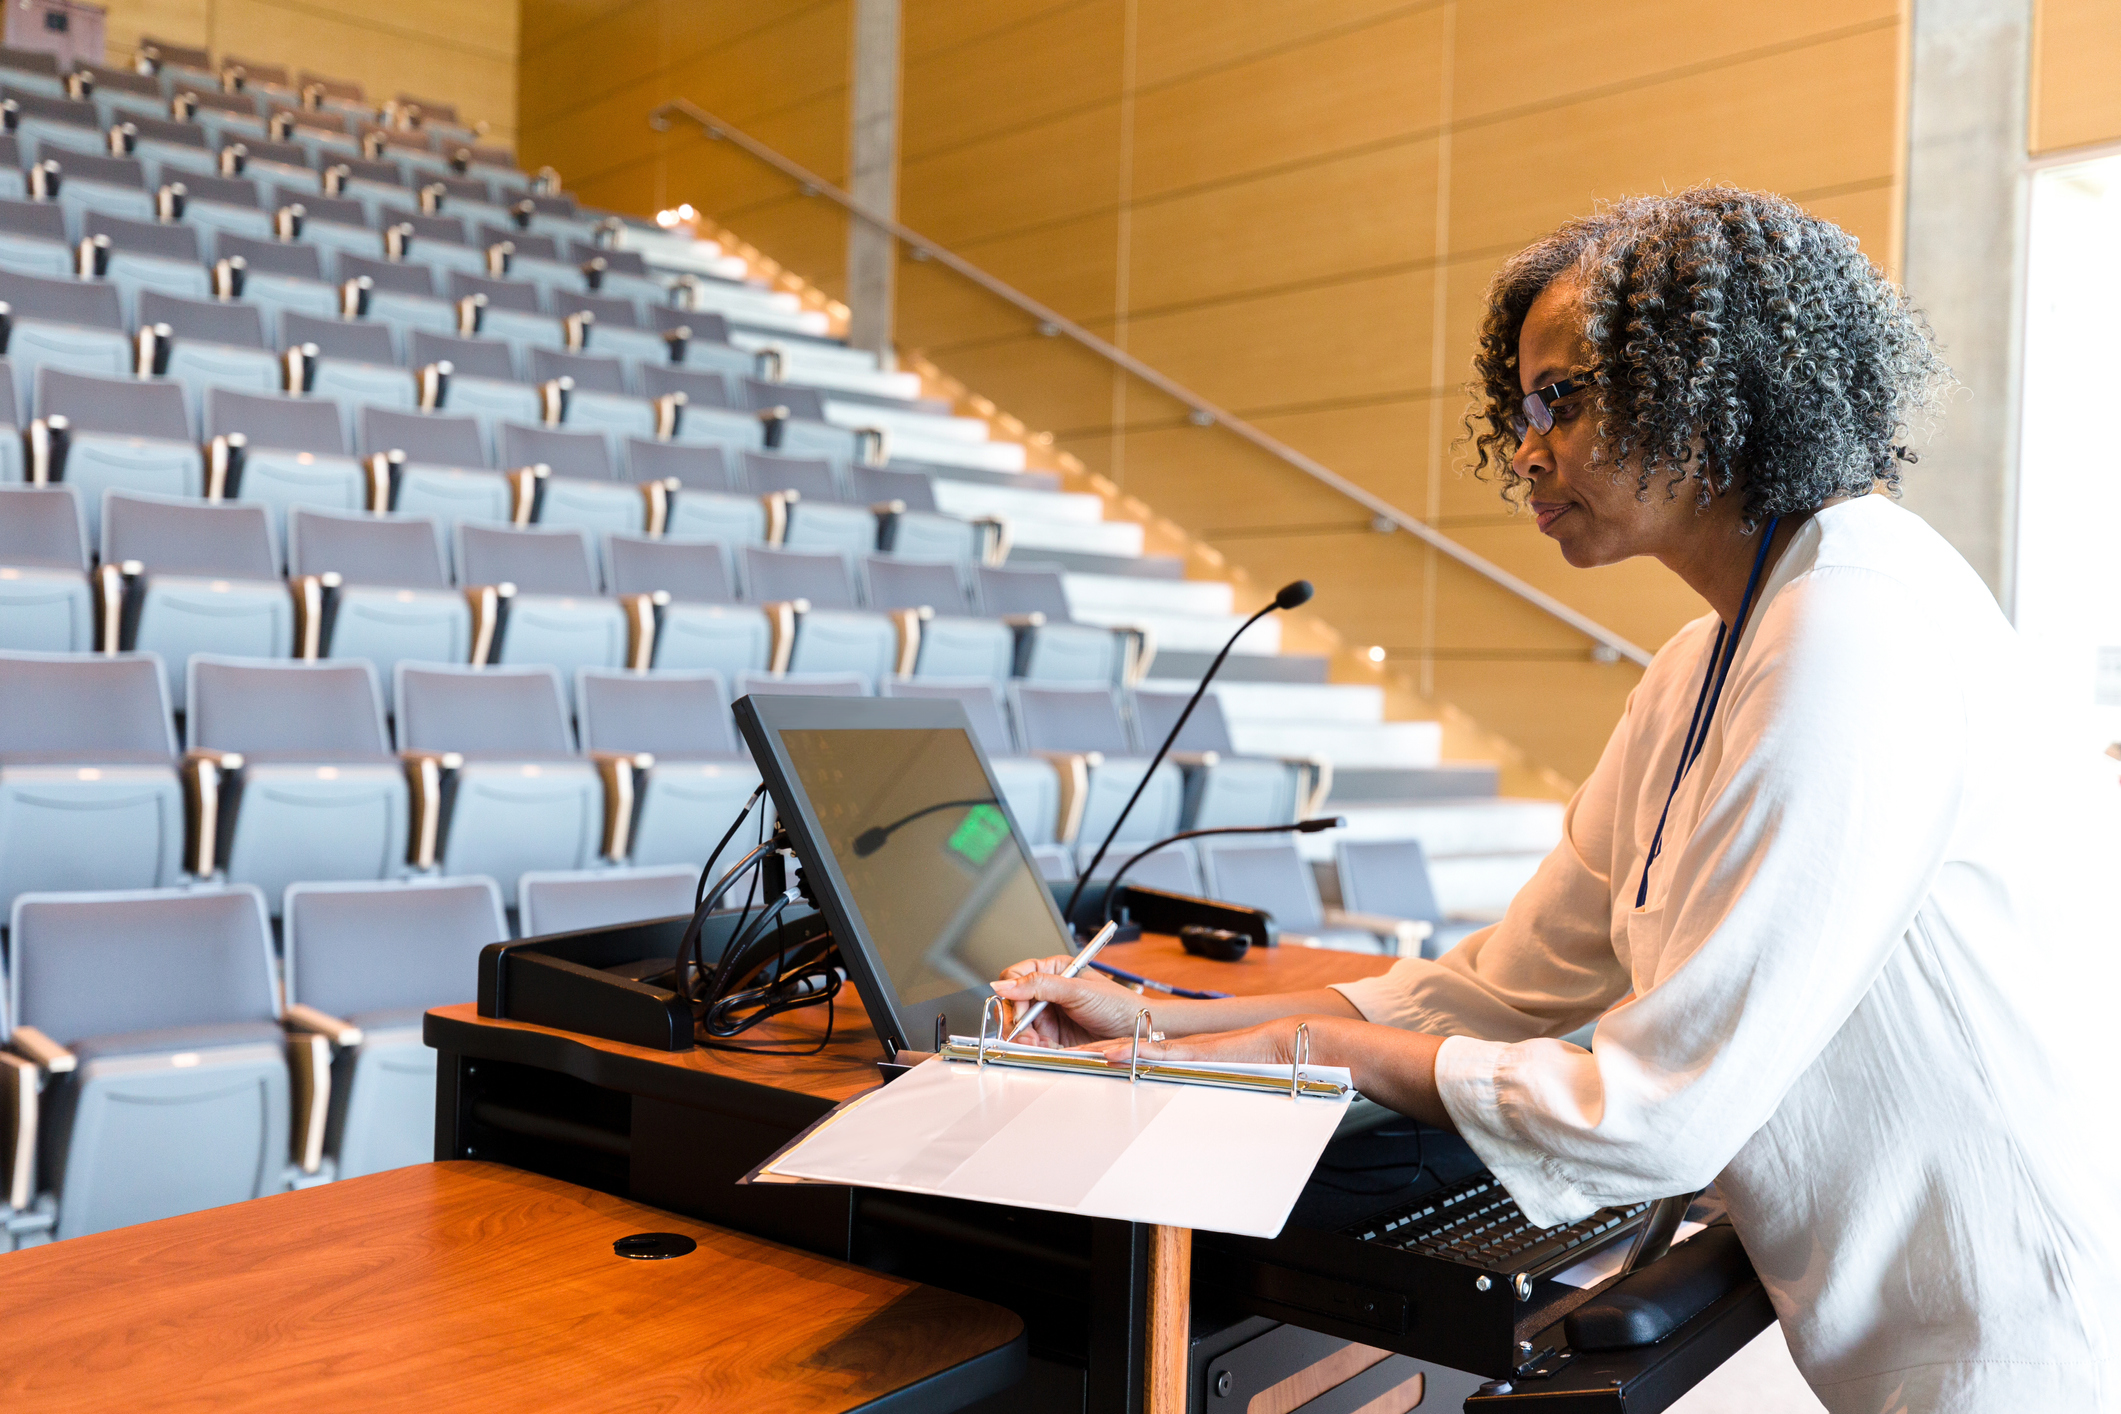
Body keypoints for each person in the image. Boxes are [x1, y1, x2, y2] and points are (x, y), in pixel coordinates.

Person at [993, 187, 2121, 1414]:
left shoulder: (1855, 624)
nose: (1526, 450)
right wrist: (1155, 1023)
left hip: (2030, 1339)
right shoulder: (1710, 659)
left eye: (1564, 400)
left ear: (1709, 379)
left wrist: (1319, 1047)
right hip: (1910, 1331)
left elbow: (1659, 1114)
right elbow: (1497, 984)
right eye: (1517, 410)